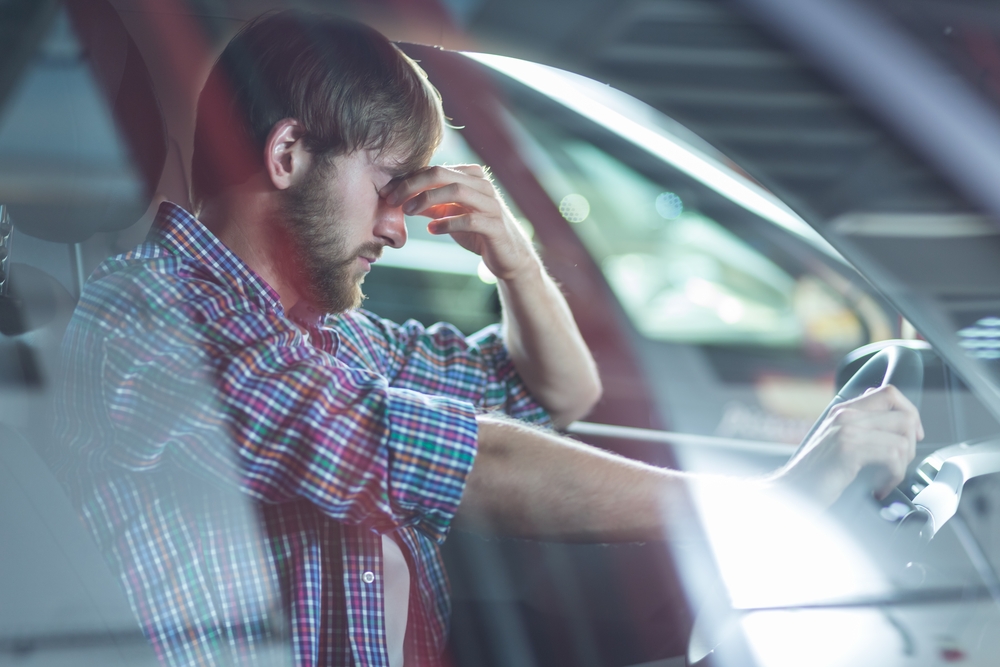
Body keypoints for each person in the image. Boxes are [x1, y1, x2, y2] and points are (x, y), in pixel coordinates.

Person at [52, 9, 923, 667]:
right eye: (390, 186)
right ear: (287, 156)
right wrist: (773, 499)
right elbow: (471, 459)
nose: (400, 230)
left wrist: (512, 253)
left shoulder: (337, 339)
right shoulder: (148, 324)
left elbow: (557, 396)